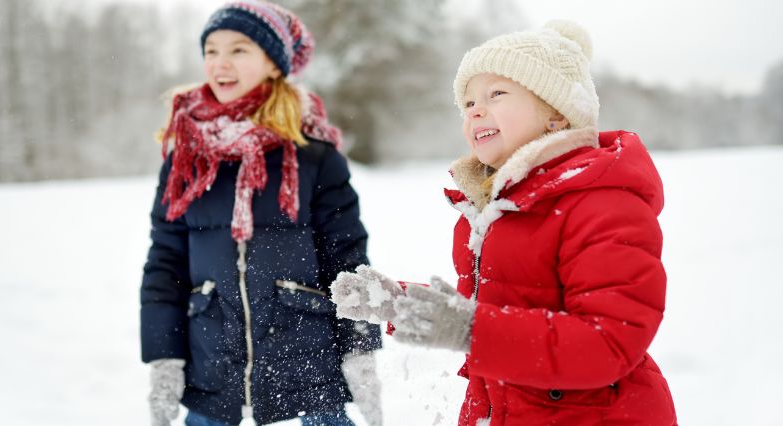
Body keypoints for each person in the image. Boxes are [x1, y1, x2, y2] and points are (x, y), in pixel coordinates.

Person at [331, 20, 677, 425]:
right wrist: (402, 303)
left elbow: (609, 343)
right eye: (469, 102)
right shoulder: (496, 207)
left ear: (556, 116)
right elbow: (502, 309)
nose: (476, 109)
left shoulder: (601, 203)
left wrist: (470, 330)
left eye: (496, 94)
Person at [140, 2, 382, 425]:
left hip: (309, 377)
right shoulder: (185, 160)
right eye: (211, 50)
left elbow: (348, 262)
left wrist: (360, 351)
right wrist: (164, 359)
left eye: (238, 50)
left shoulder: (314, 159)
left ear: (274, 64)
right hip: (213, 376)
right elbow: (165, 264)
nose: (221, 63)